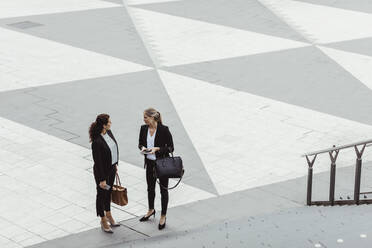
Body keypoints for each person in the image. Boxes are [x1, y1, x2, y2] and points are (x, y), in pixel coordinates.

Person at [138, 108, 174, 230]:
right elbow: (140, 143)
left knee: (163, 190)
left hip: (162, 163)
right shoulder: (143, 129)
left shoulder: (164, 130)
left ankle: (163, 216)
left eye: (145, 117)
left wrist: (157, 149)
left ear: (152, 117)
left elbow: (171, 148)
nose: (144, 120)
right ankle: (151, 210)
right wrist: (143, 148)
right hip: (149, 163)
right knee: (150, 188)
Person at [89, 114, 120, 233]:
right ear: (104, 125)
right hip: (102, 173)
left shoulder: (109, 133)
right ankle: (102, 219)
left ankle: (109, 214)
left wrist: (115, 164)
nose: (111, 123)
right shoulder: (97, 142)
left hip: (111, 169)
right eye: (109, 122)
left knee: (108, 193)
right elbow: (98, 162)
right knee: (101, 195)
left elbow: (113, 149)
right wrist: (102, 179)